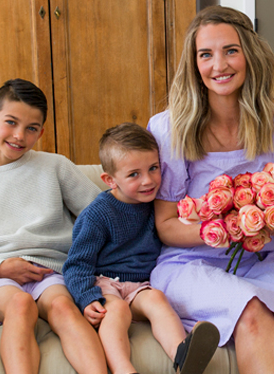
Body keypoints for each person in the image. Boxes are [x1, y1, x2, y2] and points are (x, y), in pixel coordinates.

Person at [146, 6, 274, 374]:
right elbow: (166, 224)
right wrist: (223, 230)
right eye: (205, 54)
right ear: (193, 64)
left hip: (269, 257)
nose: (219, 65)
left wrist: (265, 222)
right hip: (191, 262)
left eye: (231, 50)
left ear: (250, 53)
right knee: (252, 310)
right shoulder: (169, 129)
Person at [0, 79, 107, 374]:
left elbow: (99, 215)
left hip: (51, 270)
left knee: (64, 308)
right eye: (10, 122)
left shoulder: (56, 167)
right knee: (20, 305)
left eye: (31, 128)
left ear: (41, 131)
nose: (19, 135)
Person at [63, 123, 219, 374]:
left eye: (153, 168)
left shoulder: (159, 206)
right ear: (110, 180)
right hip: (105, 284)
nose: (148, 181)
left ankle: (183, 357)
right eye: (134, 174)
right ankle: (123, 369)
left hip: (140, 285)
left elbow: (184, 220)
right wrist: (85, 298)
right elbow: (76, 264)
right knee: (118, 311)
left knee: (157, 299)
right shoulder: (98, 214)